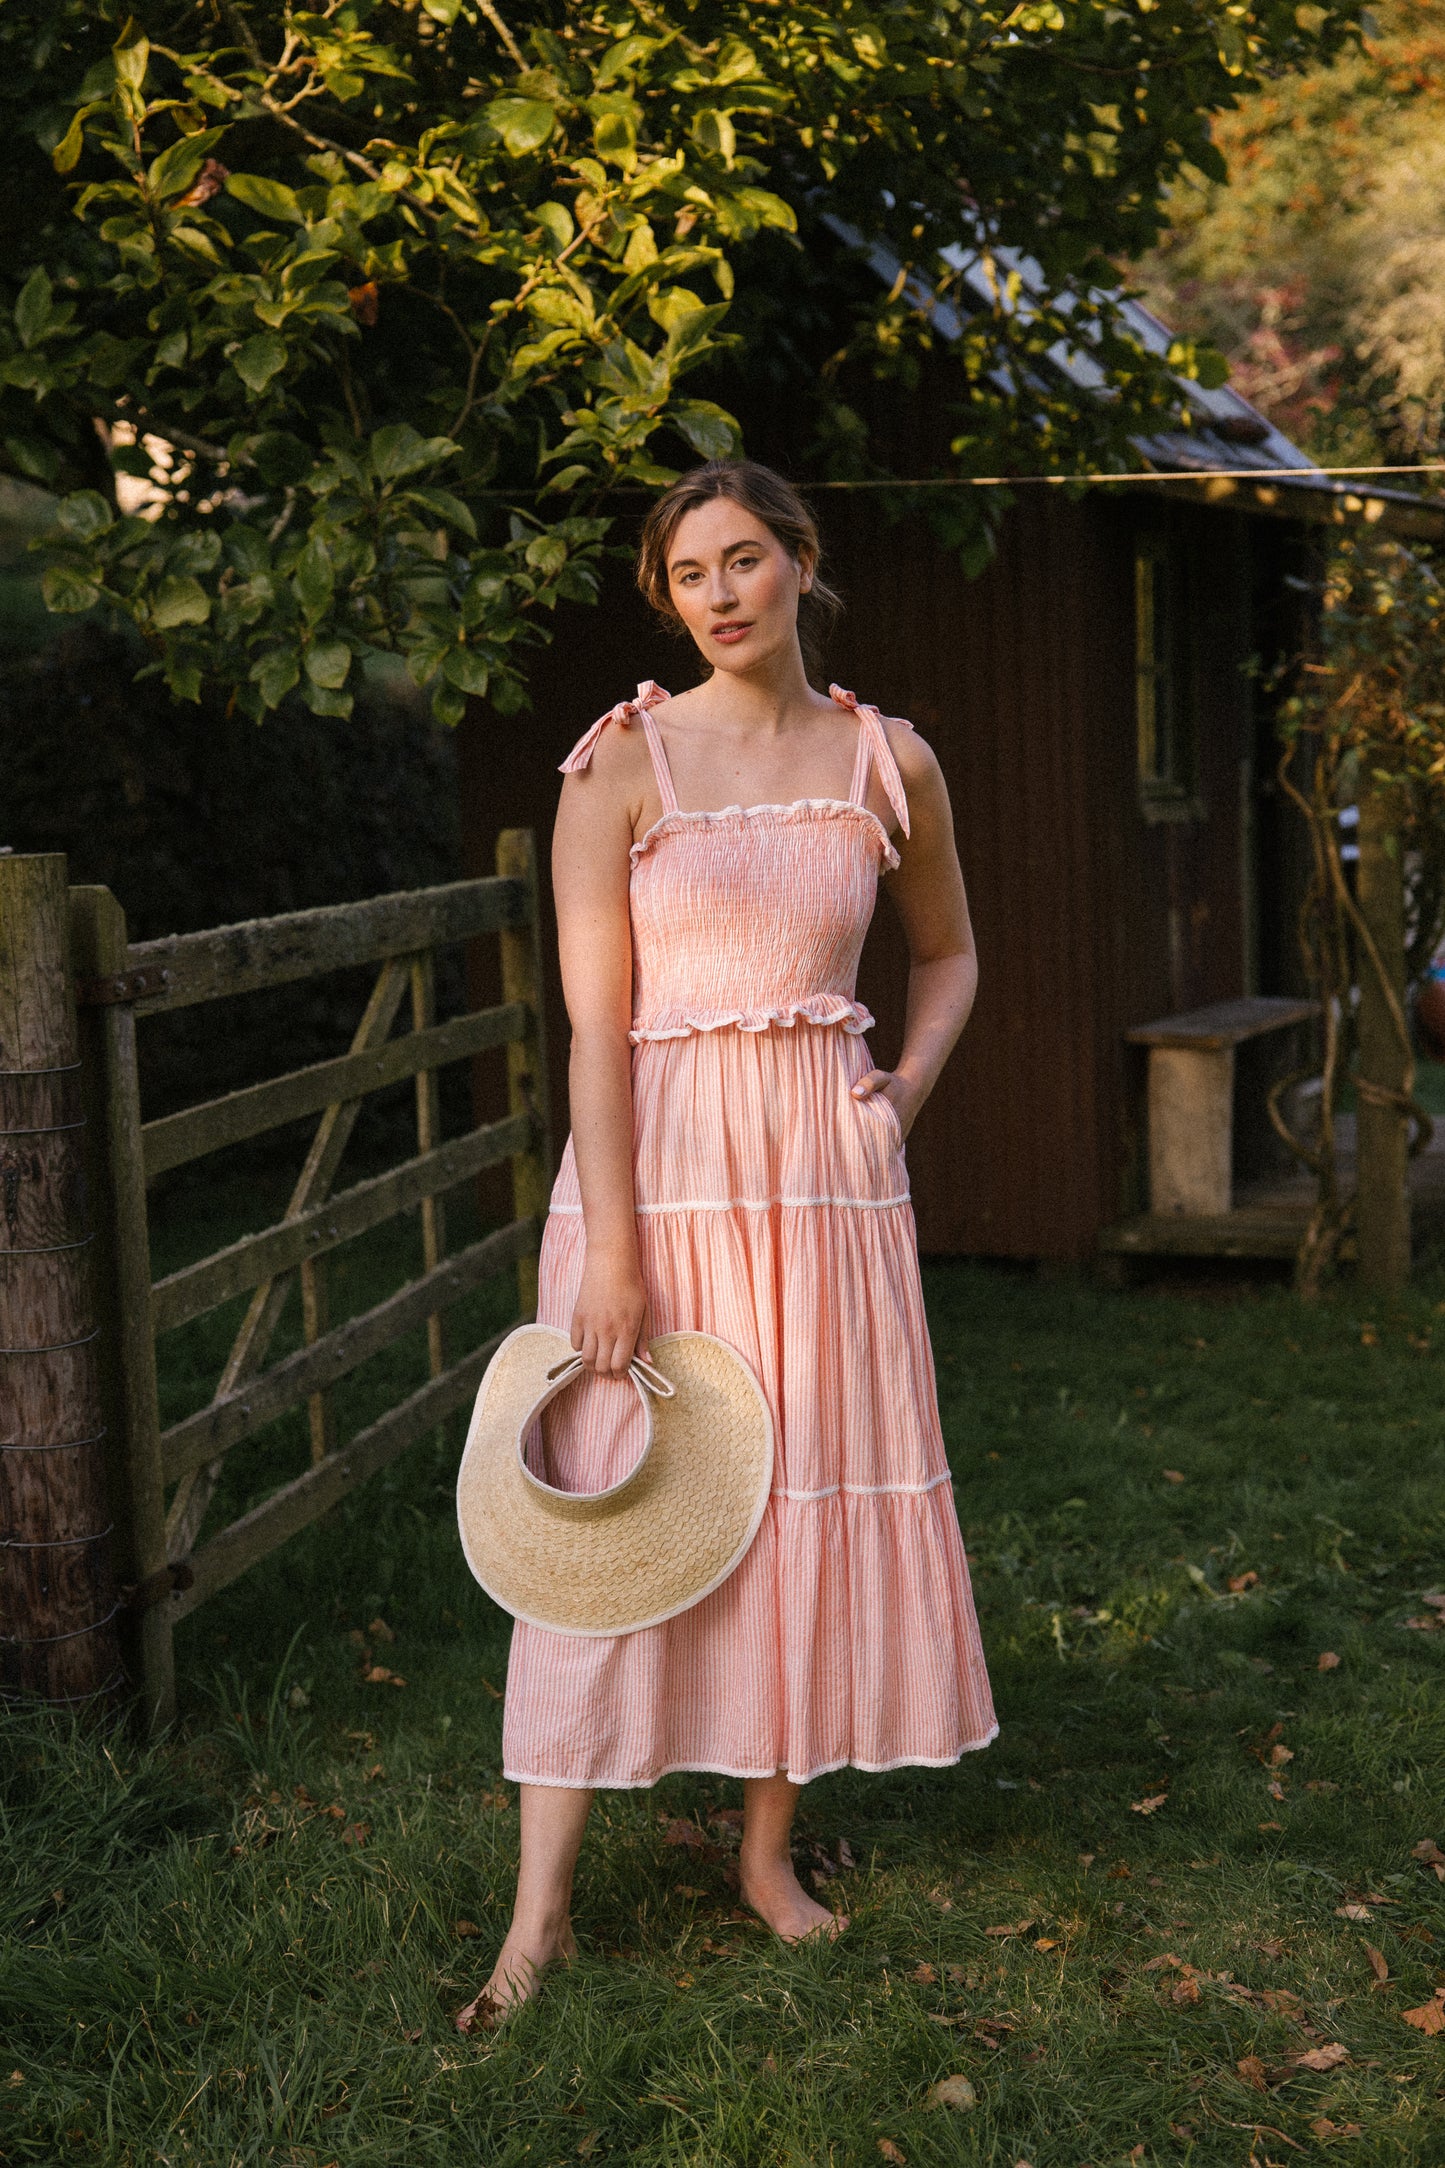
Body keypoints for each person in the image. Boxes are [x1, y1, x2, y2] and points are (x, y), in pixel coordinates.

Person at [456, 460, 996, 2032]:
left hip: (825, 1188)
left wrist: (894, 1100)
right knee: (603, 1516)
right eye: (690, 573)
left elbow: (952, 954)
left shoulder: (885, 761)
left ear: (801, 564)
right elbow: (594, 1025)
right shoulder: (619, 765)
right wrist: (610, 1249)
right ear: (666, 598)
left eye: (744, 560)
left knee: (800, 1498)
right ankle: (535, 1919)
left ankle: (764, 1855)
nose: (720, 593)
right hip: (659, 1182)